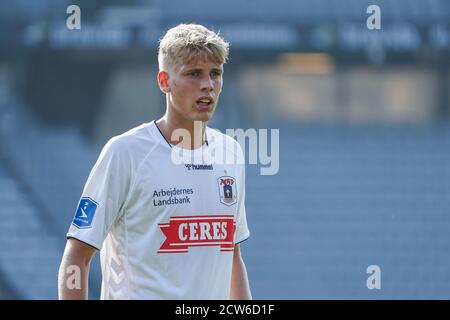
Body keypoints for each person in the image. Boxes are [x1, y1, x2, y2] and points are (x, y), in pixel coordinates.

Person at [58, 23, 252, 300]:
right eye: (194, 74)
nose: (208, 85)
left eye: (215, 74)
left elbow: (231, 256)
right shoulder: (125, 152)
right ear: (164, 82)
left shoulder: (230, 153)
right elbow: (77, 257)